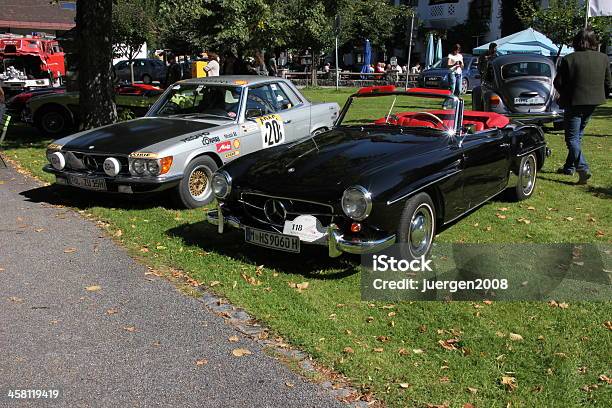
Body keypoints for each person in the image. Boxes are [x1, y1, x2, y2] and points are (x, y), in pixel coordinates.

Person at [553, 28, 611, 184]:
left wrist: (564, 94)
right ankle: (569, 167)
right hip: (593, 102)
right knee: (577, 135)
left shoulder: (569, 59)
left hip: (573, 102)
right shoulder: (604, 58)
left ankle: (583, 168)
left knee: (571, 138)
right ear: (594, 42)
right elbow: (608, 83)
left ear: (576, 41)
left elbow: (558, 83)